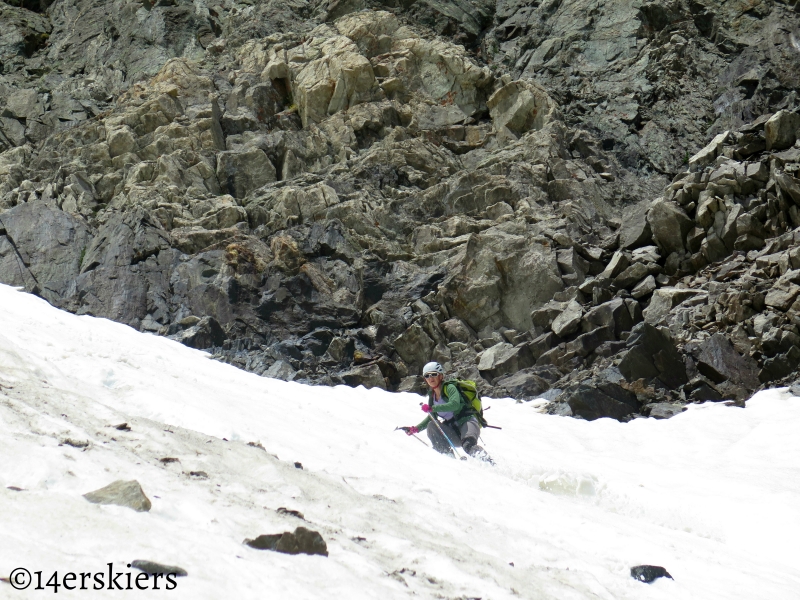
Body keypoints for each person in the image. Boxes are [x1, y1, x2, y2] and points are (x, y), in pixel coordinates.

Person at [402, 361, 491, 461]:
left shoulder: (449, 387)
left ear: (440, 376)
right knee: (432, 425)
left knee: (468, 445)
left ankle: (490, 464)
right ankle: (449, 459)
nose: (430, 378)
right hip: (453, 430)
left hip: (467, 422)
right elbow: (432, 417)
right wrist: (415, 429)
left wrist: (433, 408)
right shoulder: (432, 396)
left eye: (434, 374)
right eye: (427, 376)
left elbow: (455, 404)